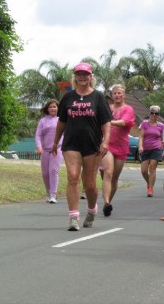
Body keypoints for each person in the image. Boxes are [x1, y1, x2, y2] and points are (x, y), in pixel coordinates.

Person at [51, 62, 112, 231]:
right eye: (79, 74)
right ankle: (73, 217)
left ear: (91, 77)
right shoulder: (68, 98)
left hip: (92, 145)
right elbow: (62, 121)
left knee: (90, 184)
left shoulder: (98, 97)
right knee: (72, 176)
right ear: (75, 77)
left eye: (85, 74)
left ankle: (92, 210)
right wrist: (56, 141)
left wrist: (105, 141)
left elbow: (107, 123)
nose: (82, 77)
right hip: (71, 143)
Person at [100, 84, 135, 216]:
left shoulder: (128, 109)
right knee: (107, 174)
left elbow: (124, 122)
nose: (117, 95)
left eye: (119, 93)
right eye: (115, 93)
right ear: (112, 95)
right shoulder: (108, 108)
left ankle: (106, 203)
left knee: (114, 178)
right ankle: (107, 201)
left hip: (121, 146)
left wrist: (108, 121)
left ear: (124, 95)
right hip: (107, 145)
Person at [35, 99, 63, 204]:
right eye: (51, 107)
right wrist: (39, 146)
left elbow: (66, 133)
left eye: (55, 107)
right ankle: (48, 192)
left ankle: (53, 194)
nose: (53, 108)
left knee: (53, 171)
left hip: (58, 149)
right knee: (45, 173)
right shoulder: (43, 121)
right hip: (45, 150)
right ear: (47, 109)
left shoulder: (61, 120)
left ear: (58, 108)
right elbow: (38, 135)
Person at [139, 105, 164, 197]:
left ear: (158, 115)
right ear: (149, 113)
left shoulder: (161, 126)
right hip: (145, 148)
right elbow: (141, 136)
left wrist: (163, 150)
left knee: (152, 168)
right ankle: (149, 183)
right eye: (152, 113)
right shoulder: (144, 123)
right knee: (144, 171)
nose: (154, 115)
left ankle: (150, 189)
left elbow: (162, 138)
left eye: (156, 113)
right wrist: (140, 146)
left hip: (156, 148)